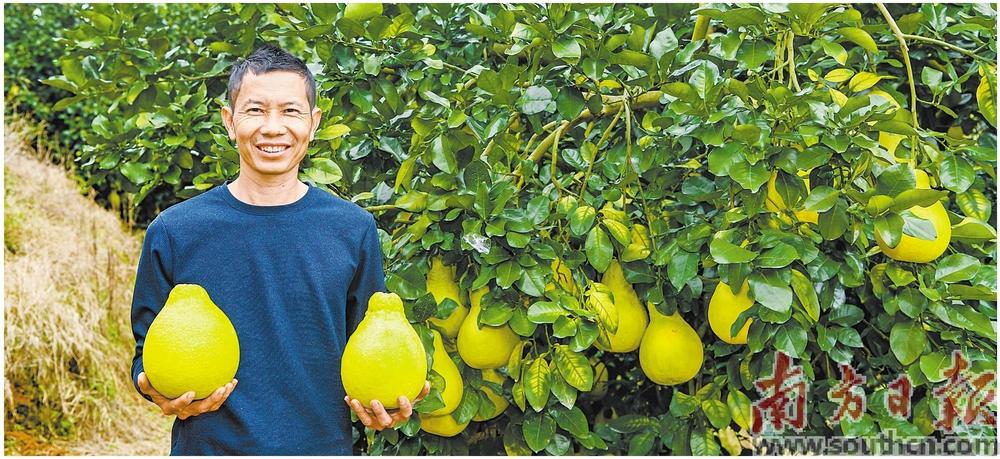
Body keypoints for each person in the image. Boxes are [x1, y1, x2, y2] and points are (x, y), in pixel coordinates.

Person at [130, 44, 428, 455]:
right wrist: (152, 388)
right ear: (229, 121)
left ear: (313, 122)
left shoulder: (352, 229)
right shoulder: (175, 231)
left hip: (320, 448)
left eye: (290, 111)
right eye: (255, 110)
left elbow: (370, 345)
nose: (273, 127)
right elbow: (146, 355)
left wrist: (386, 400)